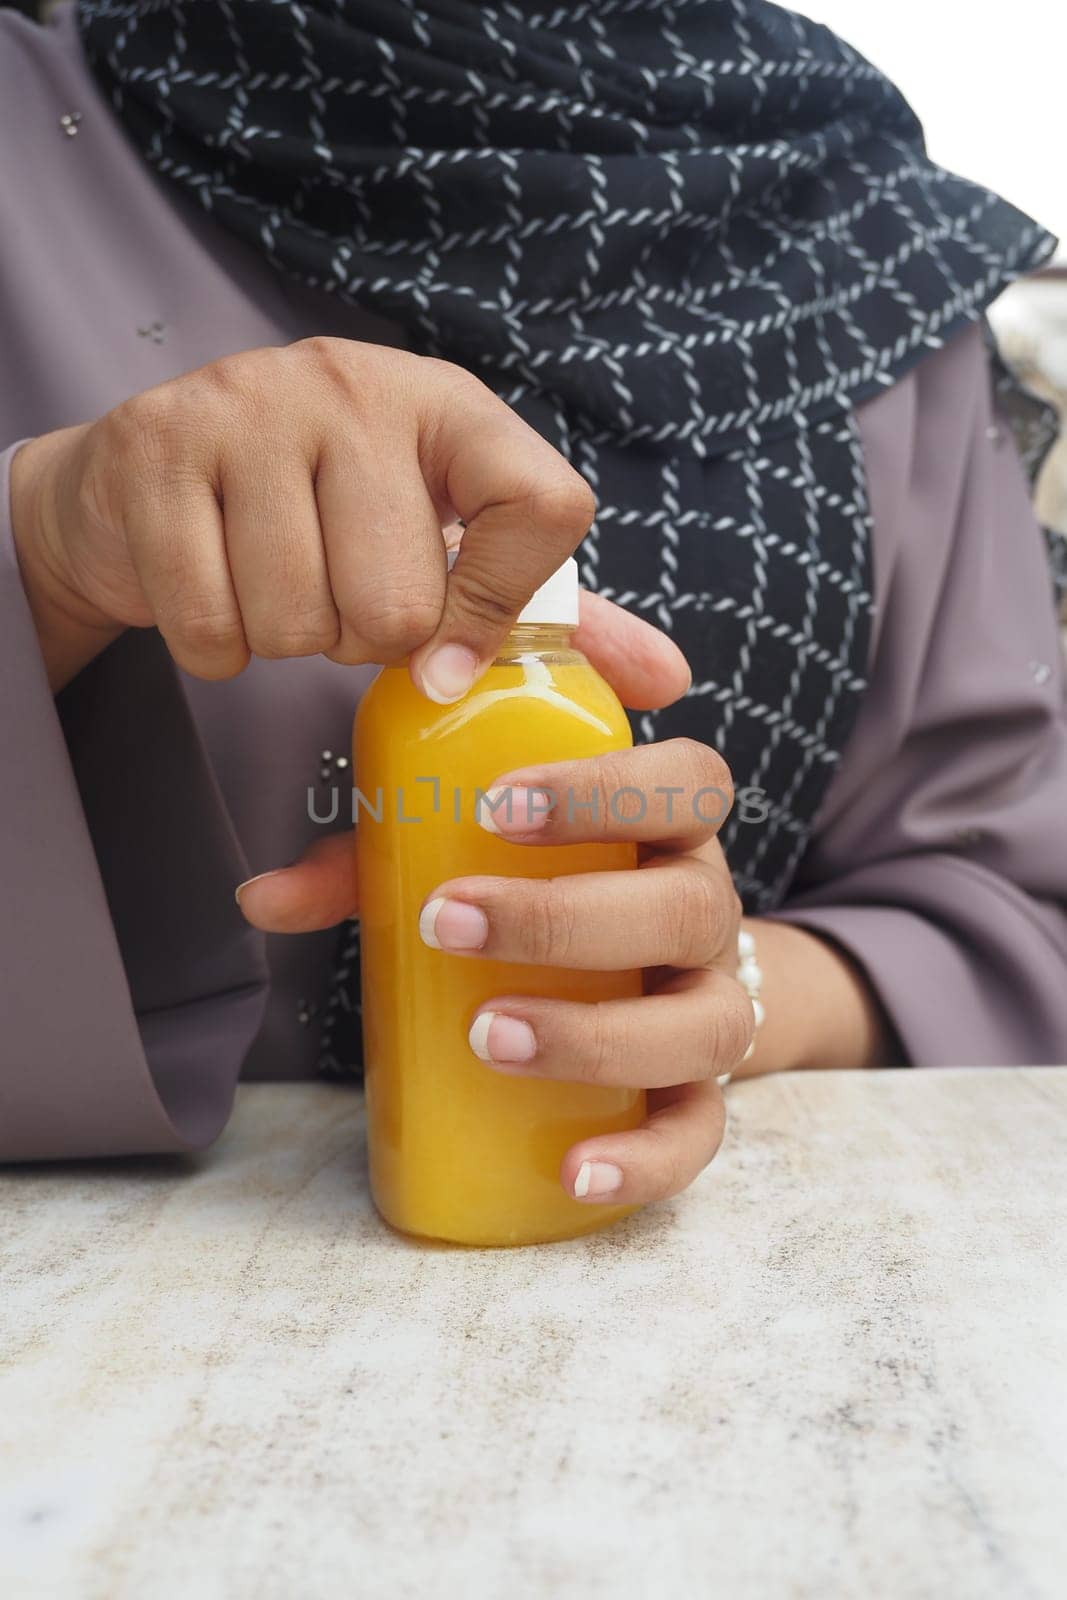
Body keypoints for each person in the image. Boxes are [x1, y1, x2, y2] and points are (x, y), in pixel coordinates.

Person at [2, 2, 1066, 1203]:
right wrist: (43, 549)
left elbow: (1005, 902)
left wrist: (720, 988)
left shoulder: (871, 247)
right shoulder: (26, 141)